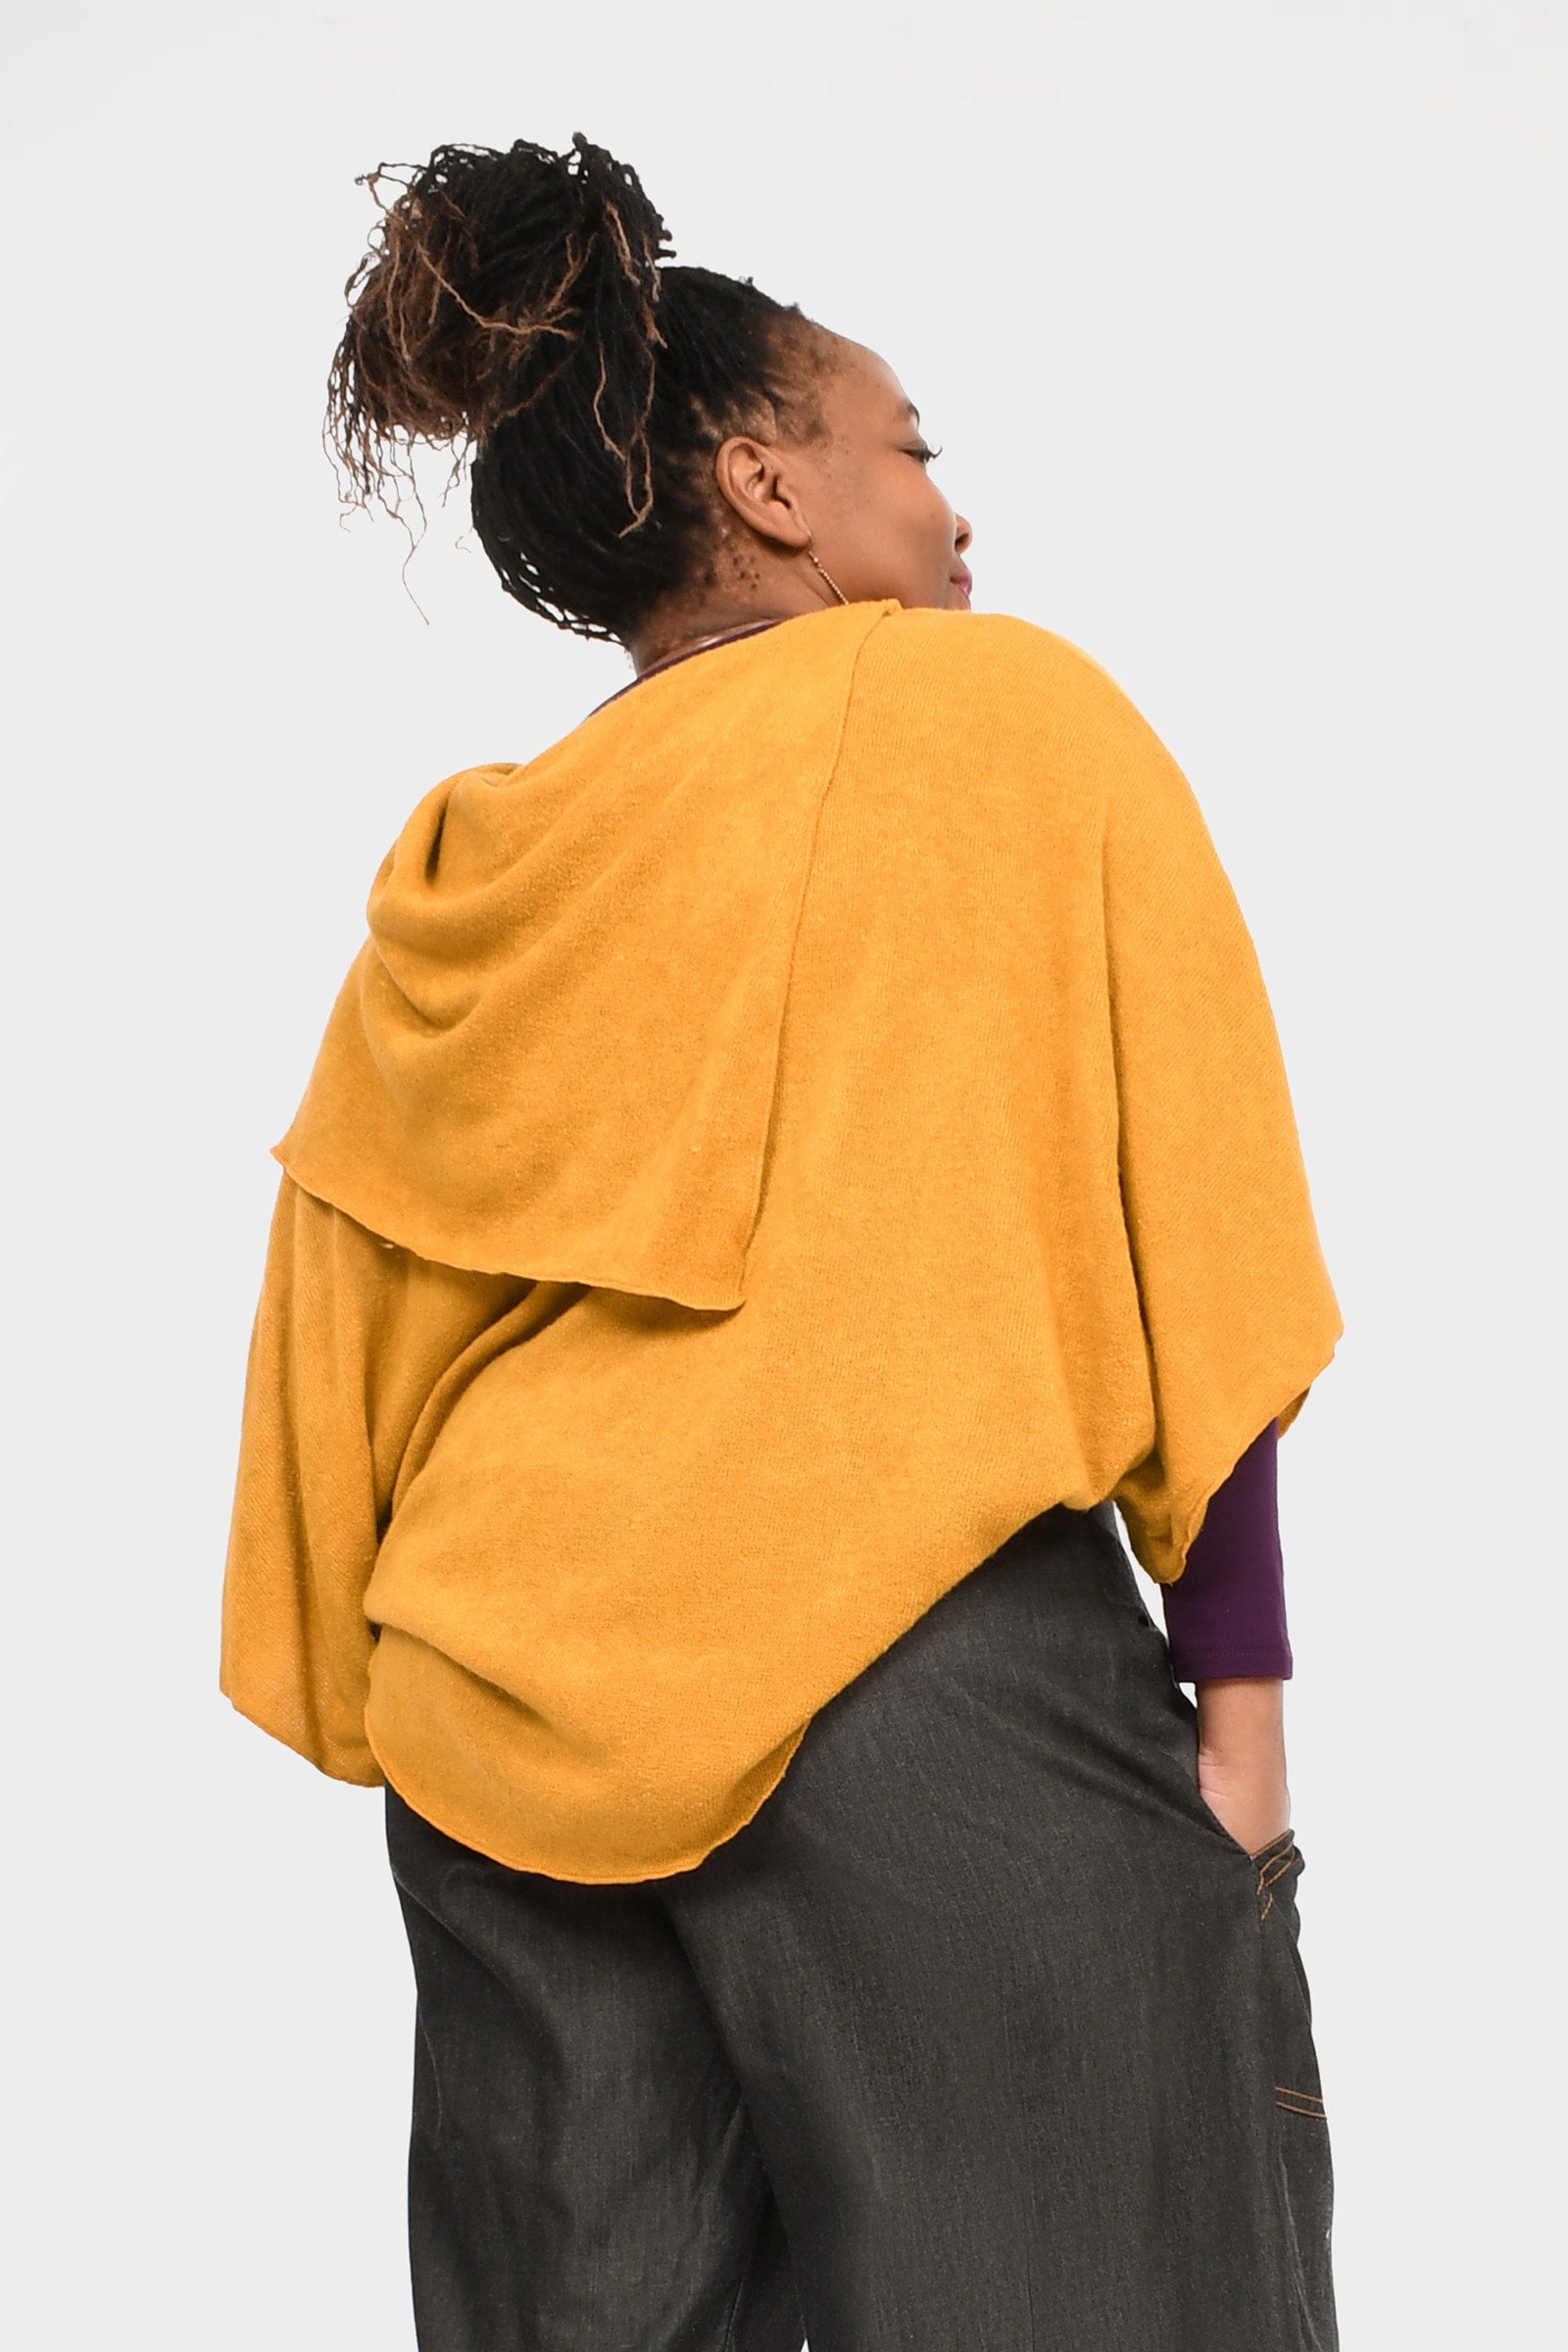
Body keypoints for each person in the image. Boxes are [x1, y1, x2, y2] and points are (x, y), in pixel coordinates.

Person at [220, 133, 1343, 2352]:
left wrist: (438, 1703)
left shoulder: (480, 865)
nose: (951, 511)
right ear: (764, 484)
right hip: (922, 1671)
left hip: (500, 1721)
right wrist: (1240, 1698)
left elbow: (336, 1351)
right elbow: (1194, 1208)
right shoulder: (1000, 714)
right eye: (907, 448)